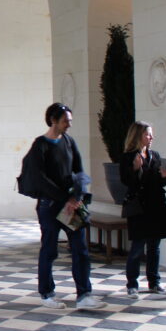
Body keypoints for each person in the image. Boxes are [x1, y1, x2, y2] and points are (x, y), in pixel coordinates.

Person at [29, 103, 105, 310]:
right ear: (53, 120)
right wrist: (66, 199)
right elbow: (40, 179)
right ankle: (47, 293)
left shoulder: (69, 142)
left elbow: (79, 171)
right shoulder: (40, 145)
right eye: (65, 121)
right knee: (49, 250)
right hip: (50, 205)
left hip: (72, 205)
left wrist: (78, 196)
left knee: (80, 249)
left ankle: (84, 294)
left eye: (70, 121)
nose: (69, 125)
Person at [120, 121, 166, 298]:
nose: (151, 137)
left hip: (155, 205)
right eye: (147, 134)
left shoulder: (155, 155)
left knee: (154, 247)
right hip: (138, 206)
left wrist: (164, 177)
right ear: (138, 136)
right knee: (137, 246)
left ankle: (154, 282)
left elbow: (159, 182)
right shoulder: (128, 157)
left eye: (151, 134)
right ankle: (132, 284)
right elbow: (126, 182)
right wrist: (135, 168)